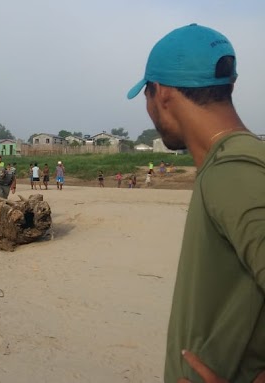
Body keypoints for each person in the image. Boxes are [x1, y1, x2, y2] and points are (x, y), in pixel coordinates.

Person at [127, 23, 265, 382]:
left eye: (146, 95)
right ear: (229, 85)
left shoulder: (234, 171)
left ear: (162, 94)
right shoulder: (233, 164)